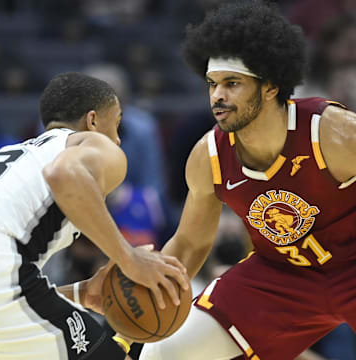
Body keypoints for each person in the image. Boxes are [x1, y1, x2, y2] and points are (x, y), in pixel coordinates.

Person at [137, 1, 356, 359]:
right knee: (162, 354)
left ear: (270, 87)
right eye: (212, 84)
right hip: (280, 277)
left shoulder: (333, 133)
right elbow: (190, 243)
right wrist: (150, 289)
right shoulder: (208, 156)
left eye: (232, 83)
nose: (217, 96)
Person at [0, 72, 189, 360]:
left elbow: (17, 300)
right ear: (93, 120)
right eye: (118, 123)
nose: (118, 140)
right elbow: (63, 174)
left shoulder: (14, 155)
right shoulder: (94, 145)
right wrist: (129, 258)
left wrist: (81, 293)